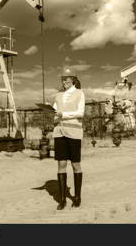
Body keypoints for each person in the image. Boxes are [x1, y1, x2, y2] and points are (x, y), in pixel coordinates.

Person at [52, 69, 85, 210]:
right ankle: (62, 199)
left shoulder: (79, 93)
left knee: (75, 165)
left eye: (66, 79)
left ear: (73, 80)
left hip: (74, 133)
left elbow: (80, 113)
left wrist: (62, 114)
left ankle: (77, 197)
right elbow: (55, 113)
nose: (64, 82)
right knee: (61, 164)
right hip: (59, 132)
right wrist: (52, 114)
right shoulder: (58, 95)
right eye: (62, 79)